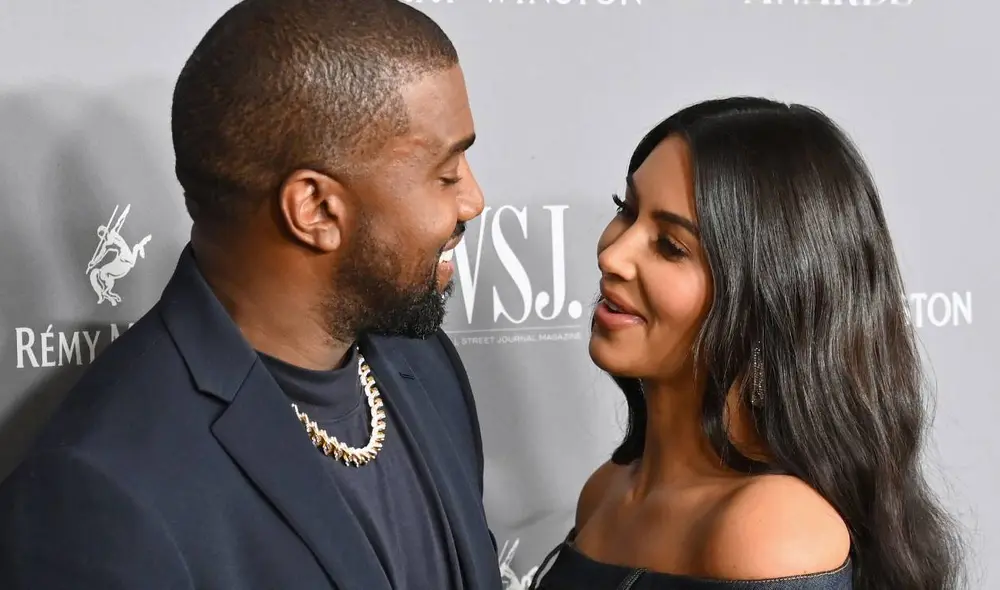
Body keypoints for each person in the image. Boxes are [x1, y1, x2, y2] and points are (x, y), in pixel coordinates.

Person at [0, 1, 503, 589]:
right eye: (445, 174)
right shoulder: (104, 499)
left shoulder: (425, 363)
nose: (473, 200)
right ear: (314, 209)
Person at [528, 97, 965, 590]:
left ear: (769, 299)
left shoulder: (772, 528)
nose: (613, 254)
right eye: (626, 212)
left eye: (671, 246)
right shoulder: (607, 491)